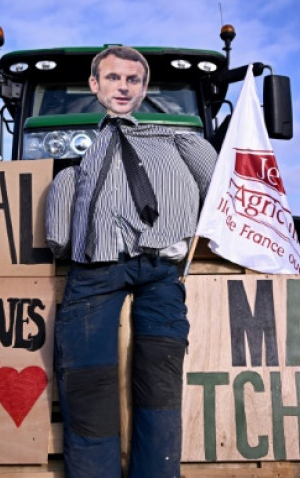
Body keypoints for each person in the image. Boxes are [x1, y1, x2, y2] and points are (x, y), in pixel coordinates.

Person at [44, 46, 217, 478]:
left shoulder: (176, 138)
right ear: (94, 84)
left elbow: (218, 185)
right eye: (113, 78)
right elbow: (59, 234)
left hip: (160, 267)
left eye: (132, 80)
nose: (123, 87)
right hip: (96, 268)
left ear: (143, 88)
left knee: (160, 381)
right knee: (88, 382)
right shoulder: (82, 159)